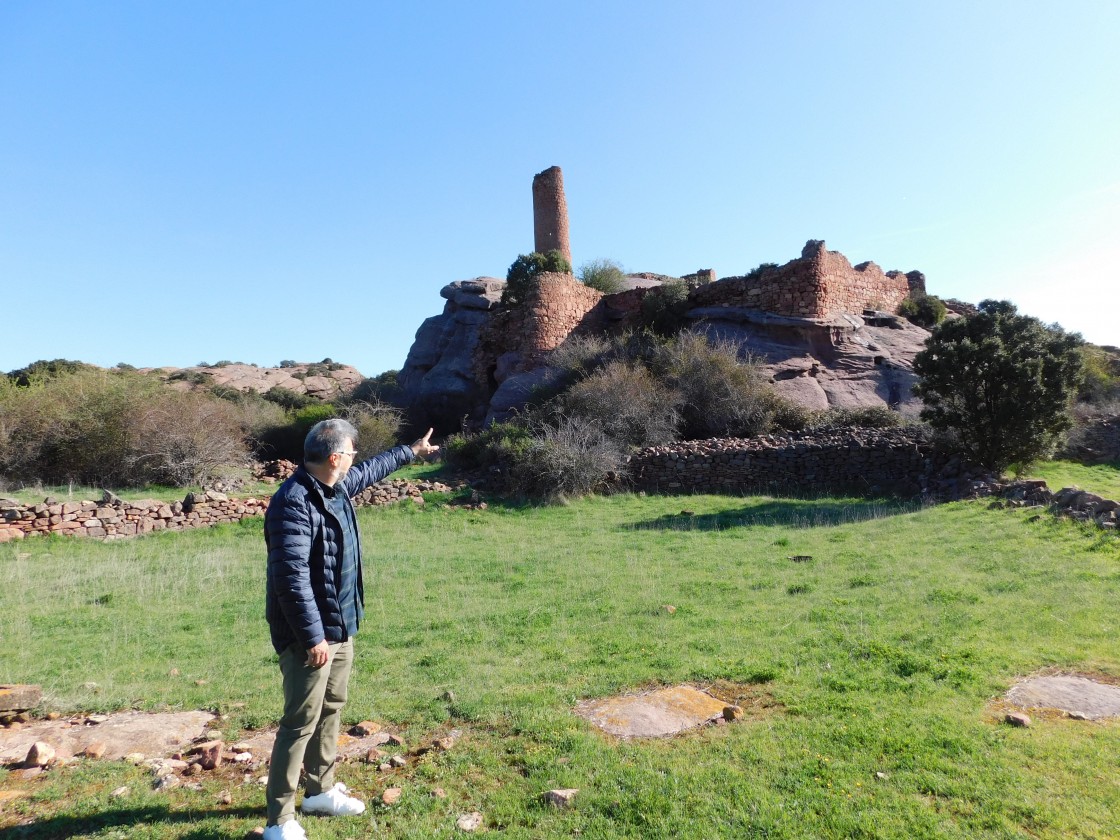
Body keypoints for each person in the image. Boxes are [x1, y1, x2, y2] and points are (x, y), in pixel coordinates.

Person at [262, 419, 439, 840]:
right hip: (312, 636)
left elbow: (371, 470)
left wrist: (411, 451)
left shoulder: (335, 484)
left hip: (340, 626)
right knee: (299, 721)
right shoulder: (293, 502)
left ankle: (320, 791)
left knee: (331, 707)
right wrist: (312, 637)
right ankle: (280, 820)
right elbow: (290, 577)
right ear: (335, 457)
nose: (355, 461)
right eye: (351, 454)